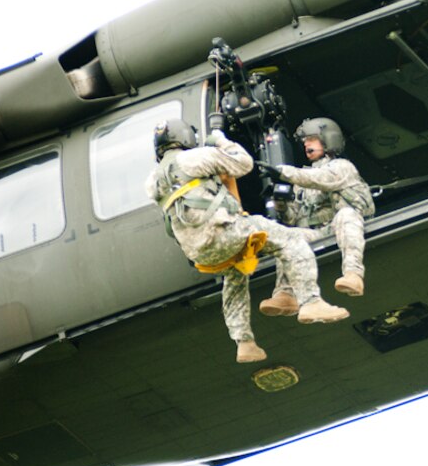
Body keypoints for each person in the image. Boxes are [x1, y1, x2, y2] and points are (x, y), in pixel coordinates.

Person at [145, 118, 349, 364]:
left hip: (200, 252)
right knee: (292, 239)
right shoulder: (196, 157)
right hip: (226, 232)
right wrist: (220, 140)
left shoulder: (153, 181)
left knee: (234, 276)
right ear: (186, 137)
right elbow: (244, 163)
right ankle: (310, 302)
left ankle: (244, 343)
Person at [256, 117, 374, 317]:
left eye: (311, 139)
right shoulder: (301, 179)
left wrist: (283, 172)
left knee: (346, 214)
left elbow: (321, 179)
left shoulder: (342, 167)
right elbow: (292, 219)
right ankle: (286, 294)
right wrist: (281, 204)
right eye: (304, 142)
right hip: (318, 233)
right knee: (288, 236)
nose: (306, 144)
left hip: (342, 226)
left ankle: (353, 274)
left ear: (328, 139)